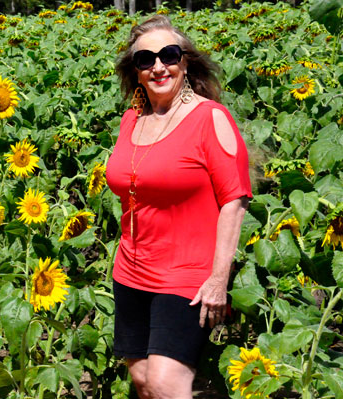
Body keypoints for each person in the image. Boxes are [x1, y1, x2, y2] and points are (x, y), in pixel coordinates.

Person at [106, 15, 253, 399]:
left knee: (166, 383)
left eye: (168, 55)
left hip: (187, 275)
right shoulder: (131, 120)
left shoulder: (210, 118)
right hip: (131, 271)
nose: (158, 66)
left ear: (185, 61)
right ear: (135, 72)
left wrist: (219, 279)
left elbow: (234, 201)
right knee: (142, 382)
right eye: (145, 60)